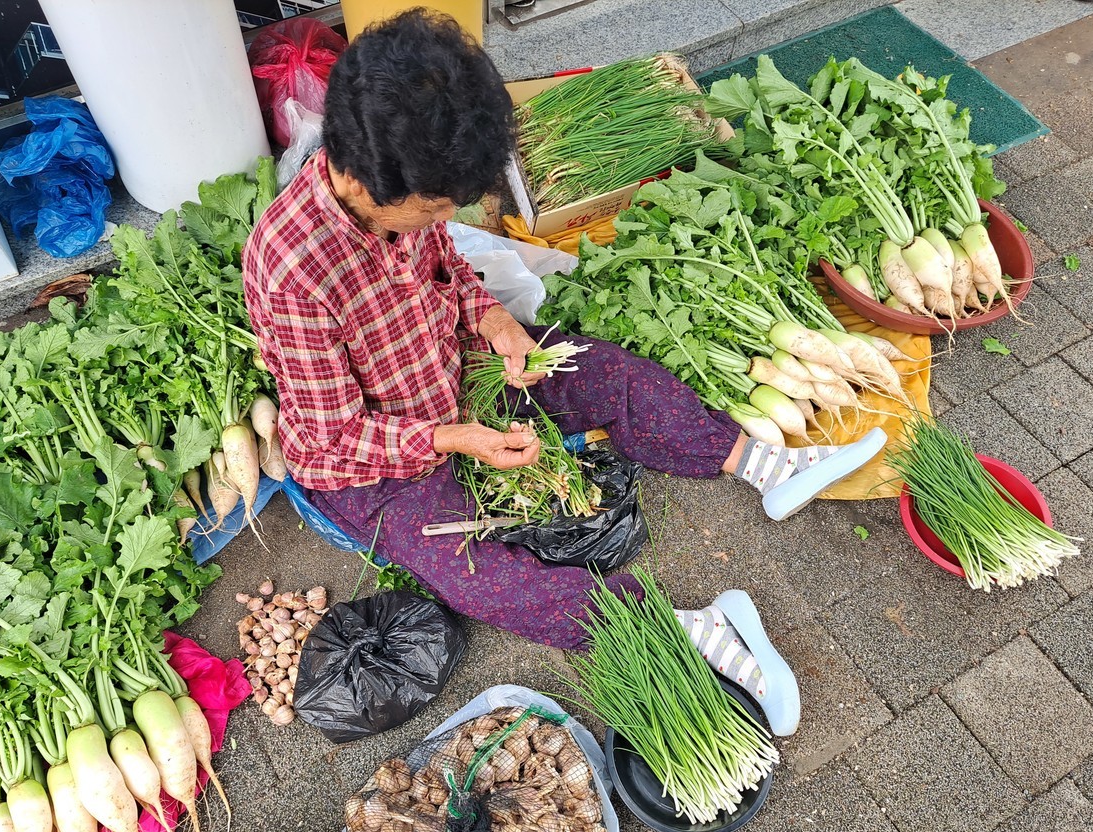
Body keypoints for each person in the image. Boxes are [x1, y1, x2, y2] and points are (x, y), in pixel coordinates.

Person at [242, 10, 884, 736]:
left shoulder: (408, 195)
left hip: (460, 372)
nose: (447, 215)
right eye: (437, 207)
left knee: (602, 369)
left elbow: (448, 268)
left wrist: (491, 320)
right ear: (369, 182)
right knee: (479, 580)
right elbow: (334, 436)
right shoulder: (291, 268)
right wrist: (458, 440)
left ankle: (761, 464)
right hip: (379, 464)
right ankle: (694, 630)